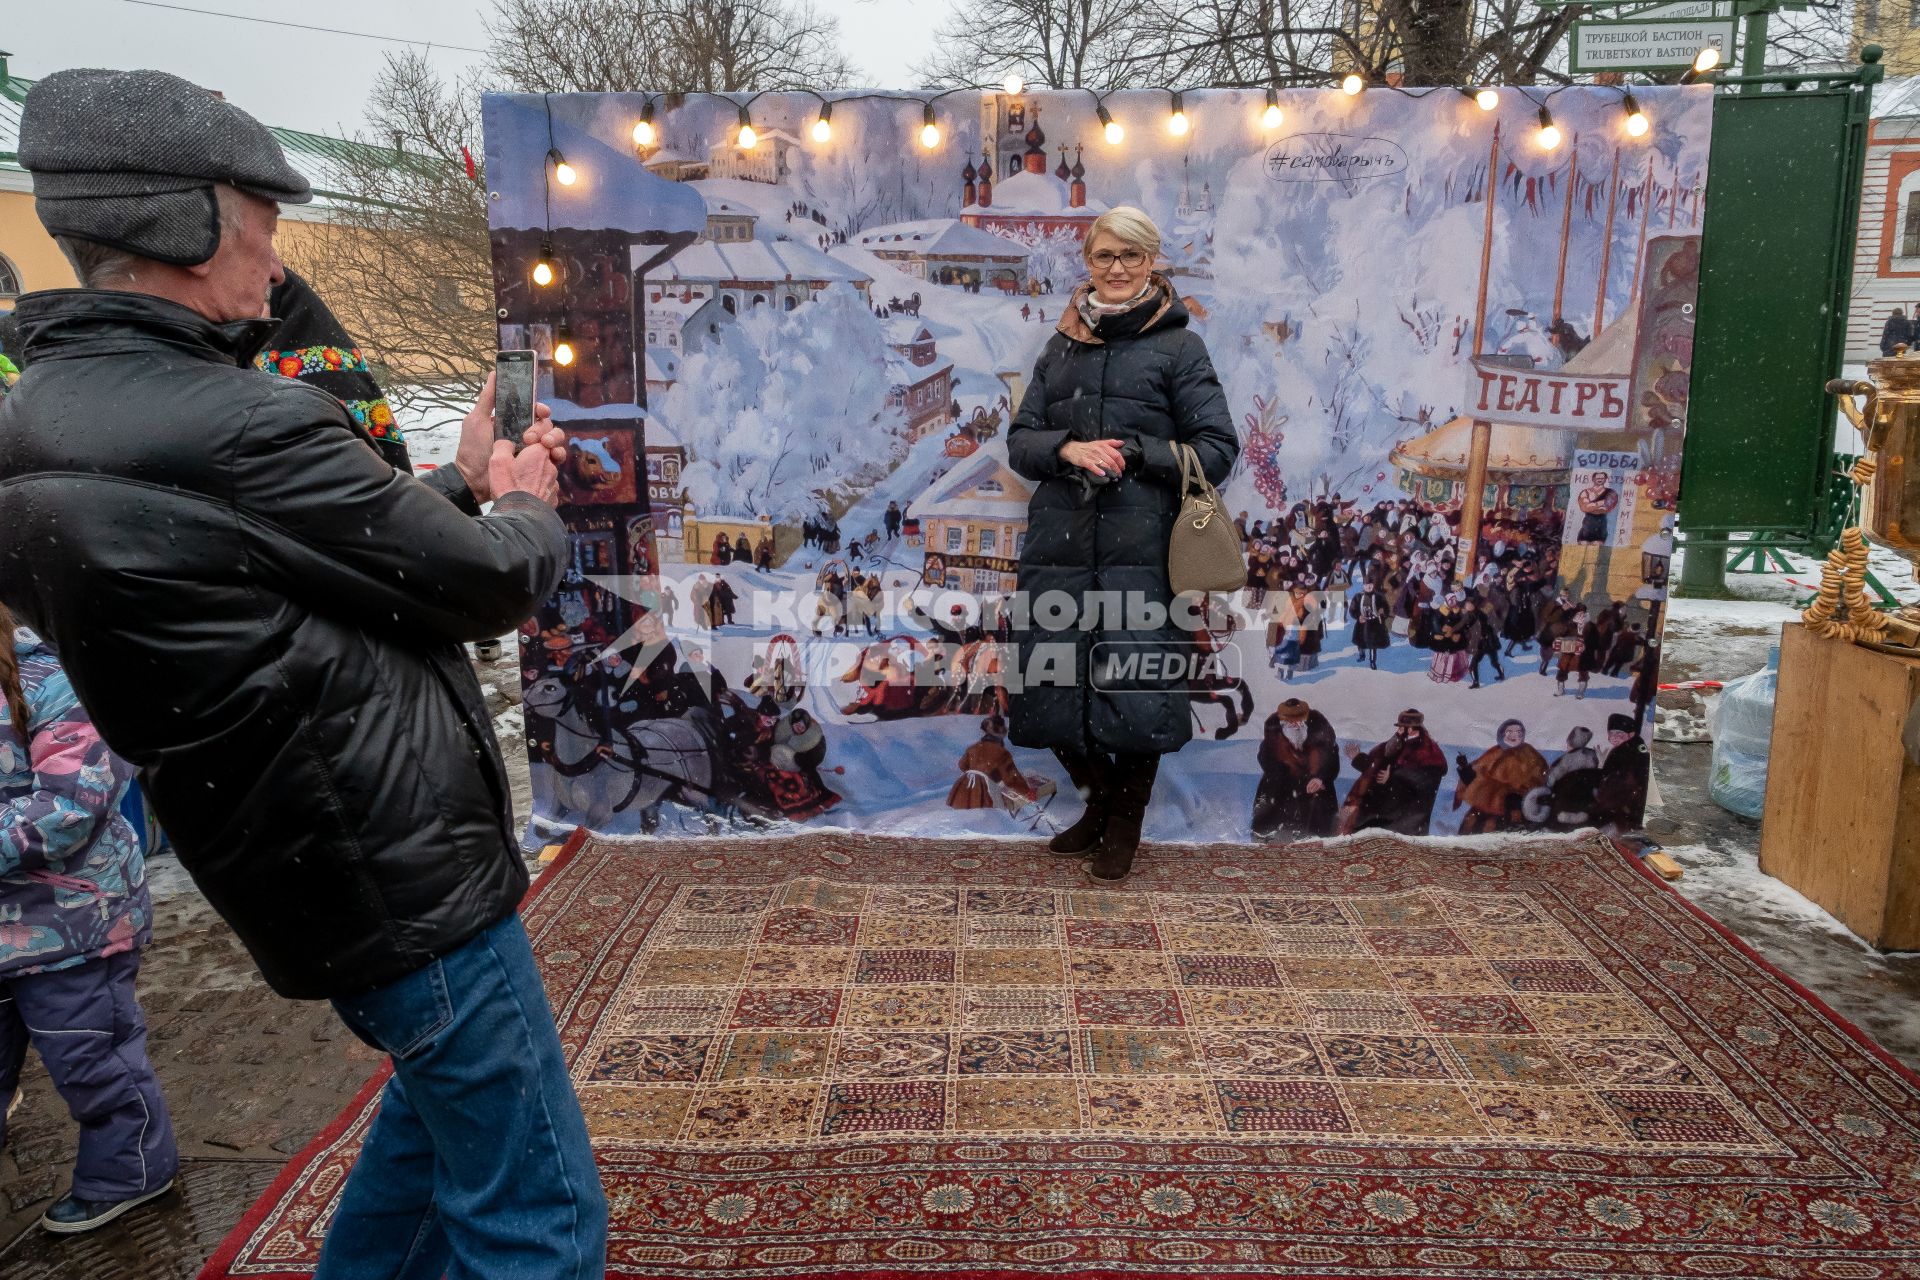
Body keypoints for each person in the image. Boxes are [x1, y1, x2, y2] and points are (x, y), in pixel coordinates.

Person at [0, 70, 604, 1277]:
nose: (276, 270)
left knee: (432, 1140)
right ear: (181, 225)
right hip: (397, 871)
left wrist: (462, 485)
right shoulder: (240, 424)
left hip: (294, 869)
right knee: (538, 1211)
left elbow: (303, 563)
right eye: (261, 231)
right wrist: (525, 507)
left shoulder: (48, 420)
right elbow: (483, 583)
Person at [1005, 206, 1238, 883]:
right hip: (1063, 548)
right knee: (1052, 687)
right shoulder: (1061, 345)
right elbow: (1020, 442)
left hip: (1142, 550)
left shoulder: (1180, 349)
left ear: (1152, 261)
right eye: (1105, 255)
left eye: (1131, 257)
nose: (1116, 268)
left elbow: (1217, 450)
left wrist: (1137, 453)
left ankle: (1124, 823)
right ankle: (1101, 804)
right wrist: (1066, 448)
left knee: (1137, 693)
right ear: (1088, 258)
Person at [0, 605, 178, 1233]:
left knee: (91, 1059)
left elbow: (73, 802)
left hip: (70, 928)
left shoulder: (49, 675)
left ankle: (128, 1169)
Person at [1342, 710, 1447, 836]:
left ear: (1411, 729)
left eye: (1402, 728)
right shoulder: (1399, 743)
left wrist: (1391, 775)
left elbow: (1421, 781)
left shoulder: (1428, 752)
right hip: (1387, 816)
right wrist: (1358, 759)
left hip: (1407, 822)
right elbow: (1378, 765)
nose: (1398, 731)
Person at [1251, 698, 1340, 840]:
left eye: (1299, 721)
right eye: (1290, 722)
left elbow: (1332, 761)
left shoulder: (1322, 734)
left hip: (1315, 783)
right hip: (1283, 782)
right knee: (1272, 796)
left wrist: (1319, 778)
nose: (1295, 725)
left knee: (1320, 808)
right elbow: (1267, 763)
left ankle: (1319, 837)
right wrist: (1286, 776)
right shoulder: (1273, 737)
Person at [1453, 719, 1549, 834]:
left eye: (1518, 732)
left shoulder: (1530, 755)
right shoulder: (1493, 754)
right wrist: (1464, 767)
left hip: (1517, 811)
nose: (1514, 735)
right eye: (1509, 732)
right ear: (1502, 734)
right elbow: (1476, 779)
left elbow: (1540, 780)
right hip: (1488, 809)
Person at [948, 715, 1038, 809]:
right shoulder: (1002, 753)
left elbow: (962, 765)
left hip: (964, 788)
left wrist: (977, 771)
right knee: (992, 816)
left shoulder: (973, 748)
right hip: (984, 791)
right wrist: (1027, 791)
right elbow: (1012, 779)